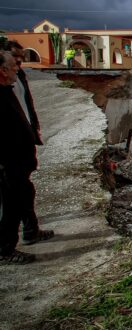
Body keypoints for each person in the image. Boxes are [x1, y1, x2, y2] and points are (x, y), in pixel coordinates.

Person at [0, 51, 51, 265]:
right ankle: (5, 250)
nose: (18, 69)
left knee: (24, 194)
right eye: (13, 65)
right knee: (10, 205)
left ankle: (31, 230)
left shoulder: (8, 89)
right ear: (2, 70)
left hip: (19, 160)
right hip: (8, 162)